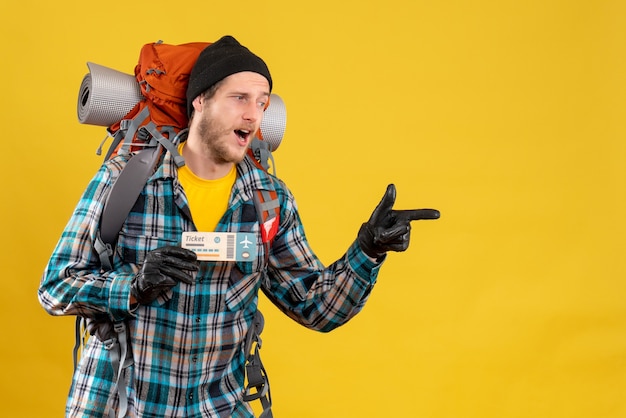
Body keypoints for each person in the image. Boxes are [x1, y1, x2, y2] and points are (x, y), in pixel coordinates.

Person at [38, 35, 440, 418]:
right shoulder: (126, 180)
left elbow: (315, 307)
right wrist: (134, 284)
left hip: (217, 408)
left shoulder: (268, 200)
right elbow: (55, 288)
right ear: (200, 100)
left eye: (263, 102)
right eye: (239, 99)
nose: (254, 114)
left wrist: (367, 251)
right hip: (122, 405)